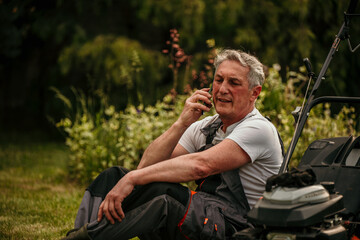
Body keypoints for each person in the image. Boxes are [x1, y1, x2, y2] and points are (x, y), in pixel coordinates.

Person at [63, 49, 283, 240]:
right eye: (218, 80)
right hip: (206, 217)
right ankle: (79, 233)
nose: (222, 89)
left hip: (239, 229)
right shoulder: (207, 126)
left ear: (255, 92)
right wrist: (181, 123)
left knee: (164, 195)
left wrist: (132, 178)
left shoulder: (258, 128)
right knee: (113, 176)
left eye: (233, 82)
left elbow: (201, 166)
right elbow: (146, 166)